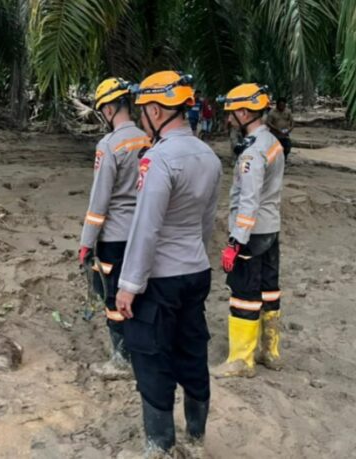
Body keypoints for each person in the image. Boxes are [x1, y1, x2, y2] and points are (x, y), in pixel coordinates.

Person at [115, 71, 222, 456]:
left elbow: (146, 226)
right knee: (192, 349)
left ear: (157, 110)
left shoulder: (159, 159)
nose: (143, 118)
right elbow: (207, 220)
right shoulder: (208, 156)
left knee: (151, 355)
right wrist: (196, 254)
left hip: (160, 278)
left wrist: (129, 285)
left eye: (144, 111)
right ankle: (196, 433)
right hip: (195, 271)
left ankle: (159, 444)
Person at [79, 77, 151, 380]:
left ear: (109, 108)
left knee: (114, 299)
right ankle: (146, 352)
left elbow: (100, 200)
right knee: (142, 294)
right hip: (146, 232)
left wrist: (87, 241)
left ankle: (122, 360)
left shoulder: (108, 145)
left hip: (116, 236)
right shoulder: (150, 139)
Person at [213, 83, 285, 379]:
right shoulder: (271, 142)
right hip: (271, 229)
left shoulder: (252, 153)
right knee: (269, 289)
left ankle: (242, 359)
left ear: (244, 112)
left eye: (232, 114)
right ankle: (270, 350)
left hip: (252, 233)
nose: (229, 119)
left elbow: (249, 200)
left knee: (244, 292)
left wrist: (235, 242)